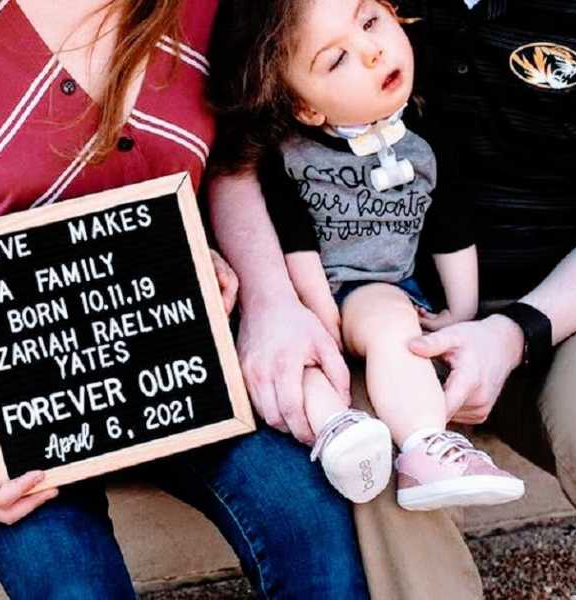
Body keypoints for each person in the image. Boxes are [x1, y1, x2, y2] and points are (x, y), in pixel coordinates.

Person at [0, 0, 369, 597]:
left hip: (172, 334)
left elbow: (232, 167)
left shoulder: (204, 13)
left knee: (309, 524)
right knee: (71, 584)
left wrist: (264, 299)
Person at [208, 0, 576, 597]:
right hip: (385, 313)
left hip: (570, 303)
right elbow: (235, 152)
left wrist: (516, 329)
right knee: (377, 474)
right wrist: (274, 303)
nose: (369, 47)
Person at [208, 0, 525, 510]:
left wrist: (459, 312)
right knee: (300, 364)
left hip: (379, 288)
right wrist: (320, 319)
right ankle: (340, 434)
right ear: (306, 107)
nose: (373, 51)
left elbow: (449, 226)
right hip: (300, 294)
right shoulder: (292, 155)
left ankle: (425, 449)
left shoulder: (425, 138)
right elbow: (295, 240)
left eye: (372, 22)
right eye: (337, 60)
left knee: (395, 329)